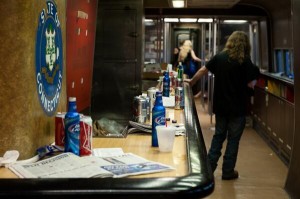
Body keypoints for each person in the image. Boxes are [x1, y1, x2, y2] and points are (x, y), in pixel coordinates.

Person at [184, 31, 260, 180]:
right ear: (245, 44)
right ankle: (228, 171)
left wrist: (192, 82)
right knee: (233, 140)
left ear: (230, 42)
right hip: (237, 108)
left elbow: (203, 70)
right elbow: (251, 84)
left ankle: (208, 170)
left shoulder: (220, 57)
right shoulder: (245, 61)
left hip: (221, 106)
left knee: (218, 137)